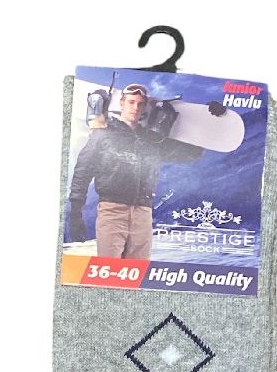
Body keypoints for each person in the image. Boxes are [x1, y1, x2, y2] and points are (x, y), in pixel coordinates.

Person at [68, 83, 204, 258]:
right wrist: (75, 213)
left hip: (143, 214)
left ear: (145, 108)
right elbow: (82, 171)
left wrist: (209, 119)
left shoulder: (153, 141)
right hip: (112, 211)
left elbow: (192, 153)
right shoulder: (103, 135)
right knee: (108, 270)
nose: (135, 108)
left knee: (138, 272)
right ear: (122, 103)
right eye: (131, 102)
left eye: (140, 104)